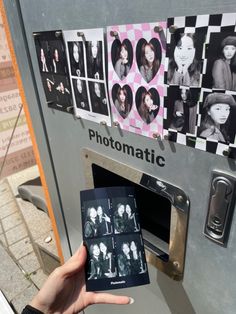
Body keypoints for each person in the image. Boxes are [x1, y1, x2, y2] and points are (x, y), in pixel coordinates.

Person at [21, 244, 132, 314]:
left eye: (101, 248)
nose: (99, 250)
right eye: (98, 248)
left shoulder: (107, 257)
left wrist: (40, 309)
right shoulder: (95, 261)